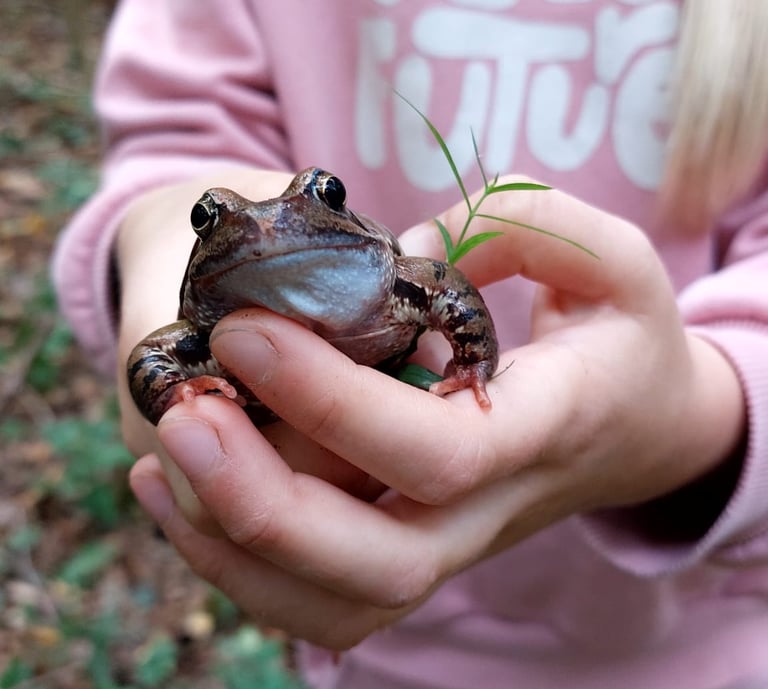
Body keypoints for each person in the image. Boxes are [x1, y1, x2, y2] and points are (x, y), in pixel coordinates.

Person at [53, 2, 768, 687]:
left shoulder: (401, 279)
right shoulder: (200, 331)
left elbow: (448, 289)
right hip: (373, 658)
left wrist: (684, 418)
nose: (272, 229)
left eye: (323, 195)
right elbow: (155, 343)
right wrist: (164, 337)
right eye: (214, 218)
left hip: (708, 642)